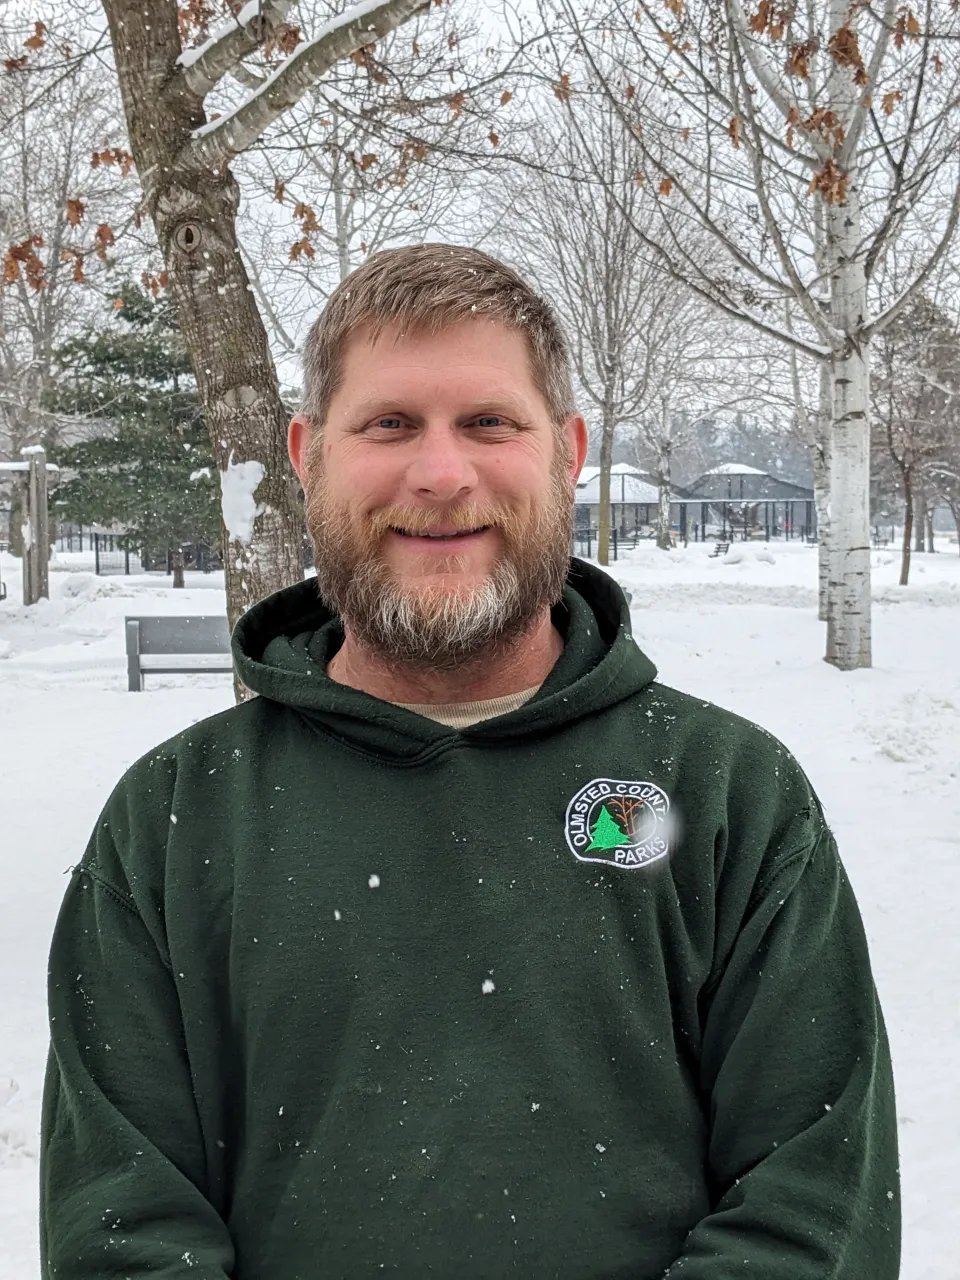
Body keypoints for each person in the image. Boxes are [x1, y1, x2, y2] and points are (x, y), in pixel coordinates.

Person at [40, 244, 899, 1278]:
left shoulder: (727, 795)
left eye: (489, 423)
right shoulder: (175, 817)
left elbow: (812, 1206)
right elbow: (122, 1227)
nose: (440, 474)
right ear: (310, 452)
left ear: (566, 451)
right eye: (390, 423)